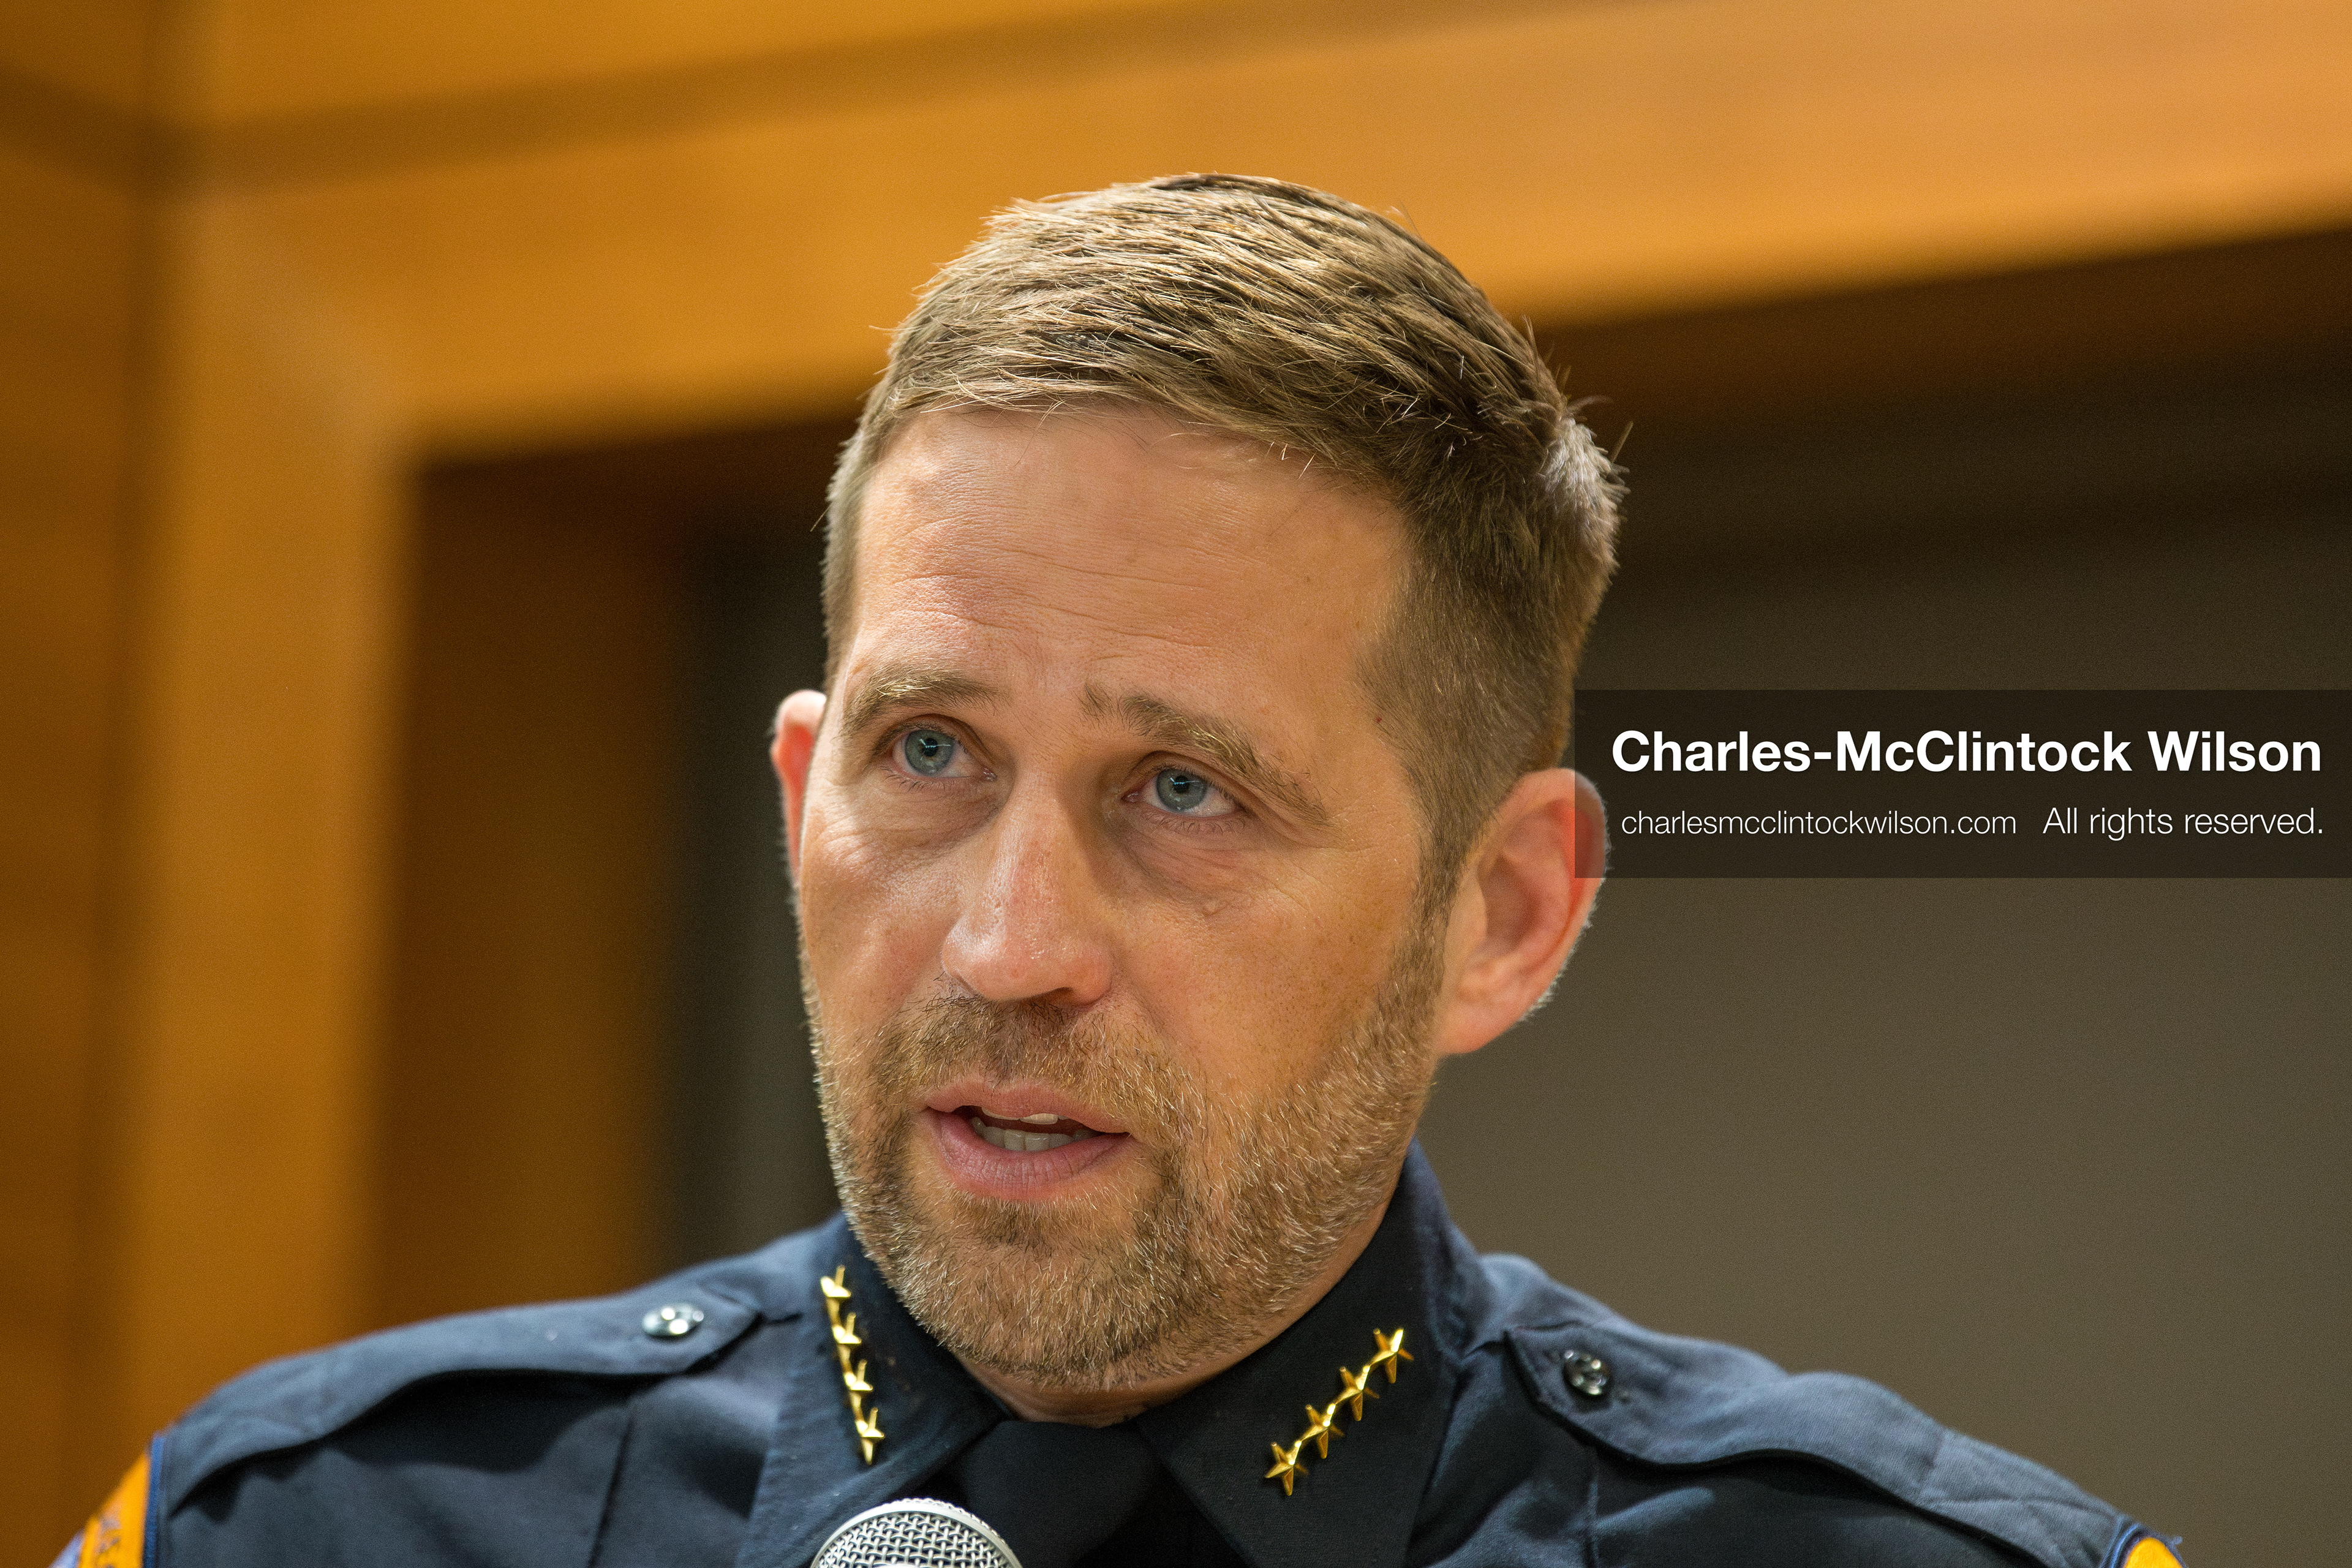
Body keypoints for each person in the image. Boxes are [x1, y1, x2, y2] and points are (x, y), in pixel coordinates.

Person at [60, 174, 2179, 1568]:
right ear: (801, 788)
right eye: (929, 754)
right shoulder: (307, 1528)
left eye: (1185, 794)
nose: (1009, 944)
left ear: (1504, 914)